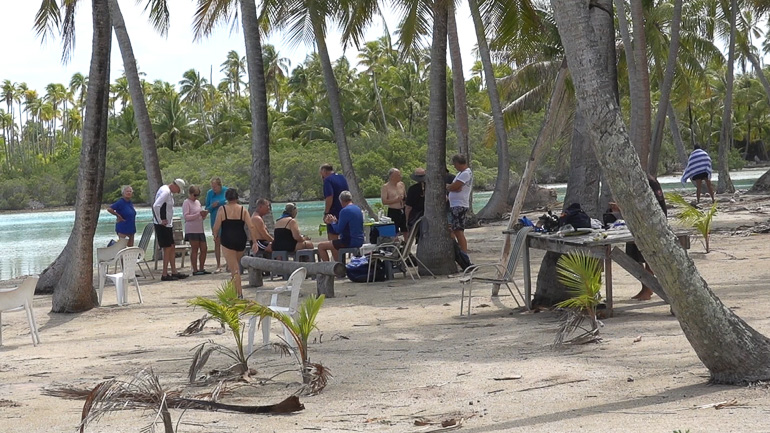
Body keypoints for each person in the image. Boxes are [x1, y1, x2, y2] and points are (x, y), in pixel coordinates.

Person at [212, 188, 259, 298]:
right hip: (240, 239)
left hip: (227, 239)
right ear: (237, 197)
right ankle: (232, 291)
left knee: (235, 269)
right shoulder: (243, 210)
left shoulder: (222, 209)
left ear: (226, 198)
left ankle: (239, 294)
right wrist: (254, 241)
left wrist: (215, 237)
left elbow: (216, 227)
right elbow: (251, 226)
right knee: (234, 267)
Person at [153, 179, 188, 281]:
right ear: (175, 185)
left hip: (167, 224)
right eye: (178, 189)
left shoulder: (167, 191)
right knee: (167, 248)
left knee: (171, 246)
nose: (178, 192)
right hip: (163, 225)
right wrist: (160, 220)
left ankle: (174, 271)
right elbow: (156, 205)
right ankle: (164, 273)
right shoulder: (166, 191)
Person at [318, 191, 365, 262]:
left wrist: (332, 222)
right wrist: (336, 221)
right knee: (334, 245)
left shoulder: (344, 211)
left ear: (341, 201)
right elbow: (349, 225)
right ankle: (339, 264)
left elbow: (338, 230)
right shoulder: (357, 209)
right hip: (360, 240)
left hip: (349, 241)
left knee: (321, 246)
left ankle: (327, 267)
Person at [446, 154, 473, 253]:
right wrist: (452, 187)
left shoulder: (465, 173)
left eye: (454, 164)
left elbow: (455, 187)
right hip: (454, 205)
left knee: (458, 231)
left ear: (457, 163)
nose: (454, 166)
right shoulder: (460, 173)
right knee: (453, 229)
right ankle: (458, 252)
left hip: (459, 205)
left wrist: (449, 187)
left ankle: (464, 254)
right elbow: (455, 187)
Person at [183, 185, 210, 276]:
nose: (196, 197)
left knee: (204, 248)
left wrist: (203, 215)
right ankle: (195, 269)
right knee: (195, 249)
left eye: (198, 195)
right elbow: (186, 217)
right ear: (190, 194)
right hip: (191, 229)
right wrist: (197, 214)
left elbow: (201, 217)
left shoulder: (198, 202)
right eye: (195, 195)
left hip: (200, 228)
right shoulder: (186, 202)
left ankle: (202, 268)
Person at [205, 177, 229, 273]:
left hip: (226, 219)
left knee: (226, 243)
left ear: (220, 186)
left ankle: (228, 264)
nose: (214, 189)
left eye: (215, 187)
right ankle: (218, 265)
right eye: (212, 187)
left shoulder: (226, 191)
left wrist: (220, 203)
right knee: (217, 242)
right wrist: (212, 206)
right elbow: (207, 208)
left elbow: (229, 202)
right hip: (214, 219)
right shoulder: (209, 193)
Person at [320, 163, 349, 240]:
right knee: (344, 235)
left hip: (334, 211)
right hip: (345, 209)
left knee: (333, 237)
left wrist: (326, 212)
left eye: (321, 173)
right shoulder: (342, 177)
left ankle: (335, 252)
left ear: (324, 171)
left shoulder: (328, 180)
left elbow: (329, 197)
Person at [380, 168, 407, 234]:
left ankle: (407, 243)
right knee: (394, 230)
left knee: (405, 229)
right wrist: (396, 200)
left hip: (403, 209)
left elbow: (405, 197)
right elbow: (384, 201)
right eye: (398, 175)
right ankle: (395, 242)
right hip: (393, 211)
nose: (400, 176)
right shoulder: (386, 187)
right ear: (392, 176)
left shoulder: (401, 184)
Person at [405, 167, 426, 235]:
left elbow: (408, 207)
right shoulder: (432, 187)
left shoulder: (412, 189)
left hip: (416, 216)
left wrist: (407, 219)